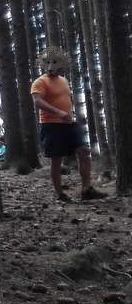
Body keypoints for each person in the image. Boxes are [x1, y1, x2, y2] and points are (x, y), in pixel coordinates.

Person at [30, 46, 105, 202]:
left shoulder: (64, 80)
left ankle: (86, 189)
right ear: (42, 64)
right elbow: (37, 101)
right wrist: (58, 112)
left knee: (84, 151)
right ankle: (60, 194)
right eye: (47, 62)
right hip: (51, 125)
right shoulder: (39, 82)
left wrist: (70, 114)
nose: (51, 65)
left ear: (62, 63)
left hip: (70, 123)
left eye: (54, 62)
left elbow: (65, 100)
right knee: (57, 160)